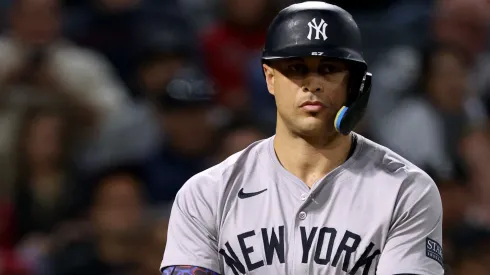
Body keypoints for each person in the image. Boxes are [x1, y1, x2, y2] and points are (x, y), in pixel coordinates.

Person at [160, 2, 444, 275]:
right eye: (297, 69)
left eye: (329, 69)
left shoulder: (405, 190)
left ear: (355, 83)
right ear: (269, 77)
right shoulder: (206, 194)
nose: (313, 83)